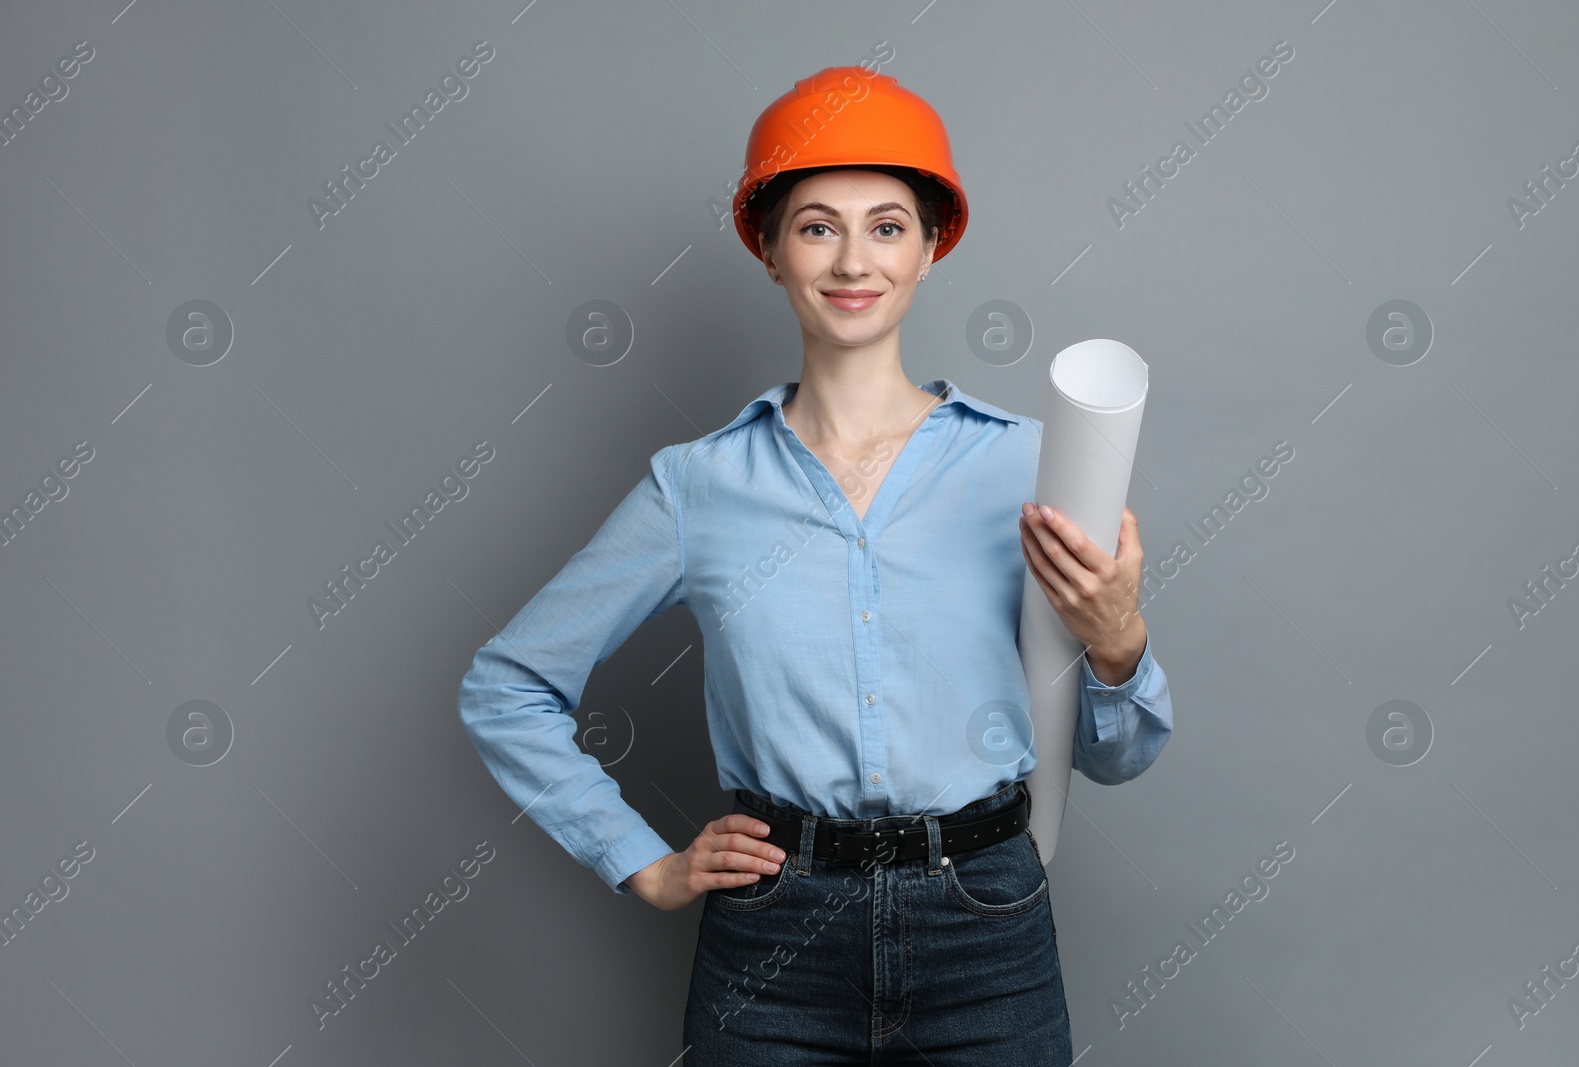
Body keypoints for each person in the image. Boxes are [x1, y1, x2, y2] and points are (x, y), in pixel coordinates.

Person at [457, 65, 1173, 1065]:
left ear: (931, 246)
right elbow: (507, 685)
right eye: (815, 225)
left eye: (886, 225)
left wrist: (1116, 641)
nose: (852, 258)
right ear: (769, 250)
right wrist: (643, 863)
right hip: (771, 942)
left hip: (985, 925)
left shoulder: (1025, 466)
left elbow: (1119, 754)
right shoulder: (696, 487)